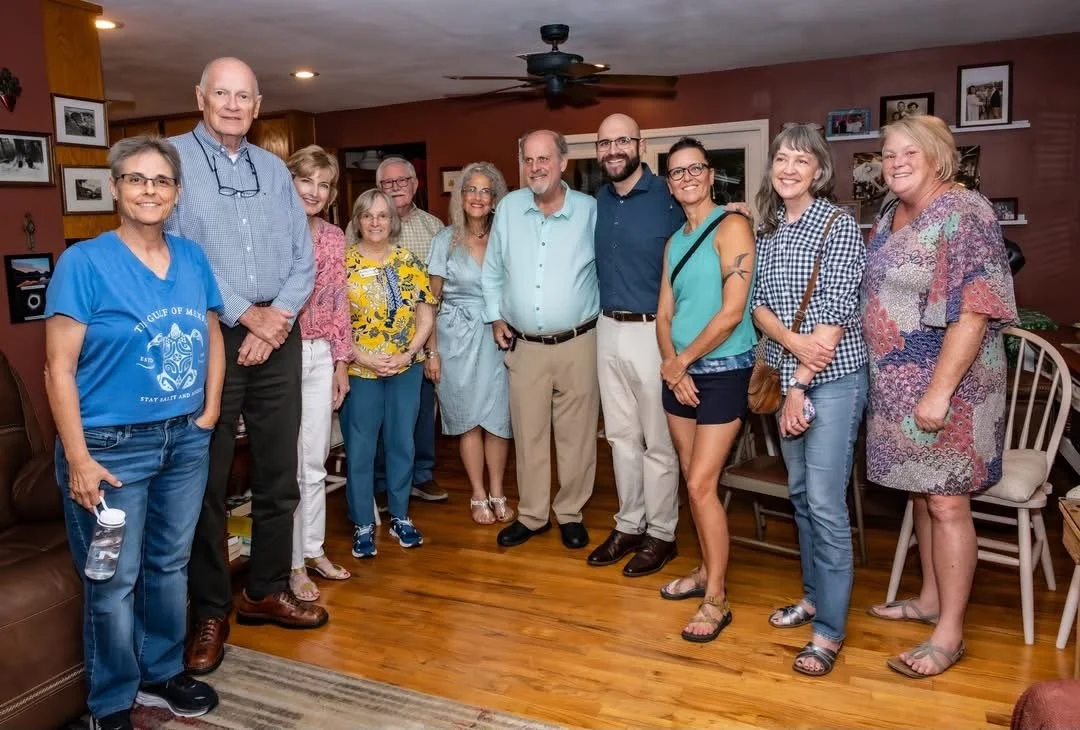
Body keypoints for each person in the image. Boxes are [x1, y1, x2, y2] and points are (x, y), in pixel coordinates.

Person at [44, 136, 224, 730]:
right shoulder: (84, 263)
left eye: (162, 180)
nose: (150, 190)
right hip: (110, 451)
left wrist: (209, 412)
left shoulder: (193, 257)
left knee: (169, 565)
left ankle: (161, 670)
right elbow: (58, 369)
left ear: (176, 193)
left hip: (184, 440)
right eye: (137, 179)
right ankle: (112, 702)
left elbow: (212, 334)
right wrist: (77, 458)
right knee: (112, 577)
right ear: (116, 188)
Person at [167, 57, 326, 678]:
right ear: (200, 97)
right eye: (221, 94)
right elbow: (179, 253)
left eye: (244, 96)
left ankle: (264, 589)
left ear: (258, 106)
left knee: (279, 471)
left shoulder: (272, 169)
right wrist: (243, 316)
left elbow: (303, 256)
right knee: (206, 483)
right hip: (211, 335)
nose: (233, 105)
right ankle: (210, 610)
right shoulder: (174, 162)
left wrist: (276, 319)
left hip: (277, 336)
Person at [863, 115, 1017, 678]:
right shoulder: (888, 212)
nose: (896, 162)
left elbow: (976, 308)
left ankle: (949, 633)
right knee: (922, 495)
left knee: (948, 501)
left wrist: (937, 393)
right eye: (887, 154)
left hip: (951, 385)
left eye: (909, 152)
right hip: (897, 386)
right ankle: (928, 599)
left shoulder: (964, 211)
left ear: (937, 157)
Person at [749, 124, 868, 676]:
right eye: (781, 158)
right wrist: (790, 350)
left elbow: (837, 311)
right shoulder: (769, 229)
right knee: (799, 495)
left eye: (801, 160)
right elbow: (758, 309)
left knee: (824, 502)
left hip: (832, 378)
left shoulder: (838, 225)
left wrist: (799, 383)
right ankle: (814, 597)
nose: (789, 168)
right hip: (785, 373)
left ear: (819, 171)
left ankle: (829, 632)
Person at [655, 137, 756, 643]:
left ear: (711, 174)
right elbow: (664, 312)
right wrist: (671, 365)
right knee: (694, 484)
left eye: (695, 169)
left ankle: (717, 598)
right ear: (670, 185)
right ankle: (703, 569)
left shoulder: (732, 227)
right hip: (680, 373)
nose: (687, 177)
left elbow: (732, 312)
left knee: (699, 484)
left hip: (722, 370)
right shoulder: (675, 241)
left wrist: (683, 362)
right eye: (677, 172)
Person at [482, 129, 600, 551]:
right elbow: (493, 269)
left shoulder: (590, 210)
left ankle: (570, 512)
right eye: (528, 160)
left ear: (563, 162)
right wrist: (495, 316)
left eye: (544, 159)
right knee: (528, 434)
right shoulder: (510, 208)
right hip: (524, 346)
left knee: (577, 435)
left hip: (578, 342)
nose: (536, 168)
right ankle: (532, 515)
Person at [587, 113, 685, 576]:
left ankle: (662, 533)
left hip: (655, 332)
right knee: (620, 437)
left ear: (640, 145)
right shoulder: (597, 202)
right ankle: (629, 523)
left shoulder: (670, 196)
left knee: (658, 441)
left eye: (622, 141)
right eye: (605, 143)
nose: (613, 151)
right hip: (606, 328)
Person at [340, 189, 435, 557]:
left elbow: (426, 313)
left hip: (404, 368)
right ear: (358, 221)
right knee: (361, 449)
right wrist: (361, 356)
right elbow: (336, 321)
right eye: (368, 215)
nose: (376, 222)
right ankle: (363, 522)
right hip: (359, 369)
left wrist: (411, 352)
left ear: (392, 221)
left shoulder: (408, 260)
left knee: (401, 443)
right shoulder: (342, 264)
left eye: (382, 215)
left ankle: (399, 516)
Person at [347, 156, 447, 504]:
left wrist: (421, 351)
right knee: (367, 438)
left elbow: (430, 303)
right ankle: (373, 495)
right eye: (387, 183)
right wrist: (362, 356)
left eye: (400, 181)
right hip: (361, 362)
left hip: (410, 353)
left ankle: (411, 487)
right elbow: (338, 315)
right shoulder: (348, 253)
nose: (394, 188)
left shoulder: (432, 229)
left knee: (409, 427)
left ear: (415, 183)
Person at [424, 161, 514, 525]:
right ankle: (477, 493)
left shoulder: (507, 238)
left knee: (498, 419)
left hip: (499, 335)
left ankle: (497, 490)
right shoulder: (444, 240)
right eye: (470, 190)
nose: (477, 197)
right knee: (468, 420)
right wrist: (431, 351)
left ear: (495, 199)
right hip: (455, 338)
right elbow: (429, 300)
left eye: (485, 190)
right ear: (461, 197)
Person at [285, 145, 352, 601]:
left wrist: (340, 363)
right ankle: (290, 565)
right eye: (306, 180)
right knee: (285, 467)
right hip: (279, 355)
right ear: (290, 182)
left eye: (323, 184)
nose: (314, 191)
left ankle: (313, 550)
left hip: (320, 355)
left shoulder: (333, 236)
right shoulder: (272, 233)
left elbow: (339, 303)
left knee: (314, 461)